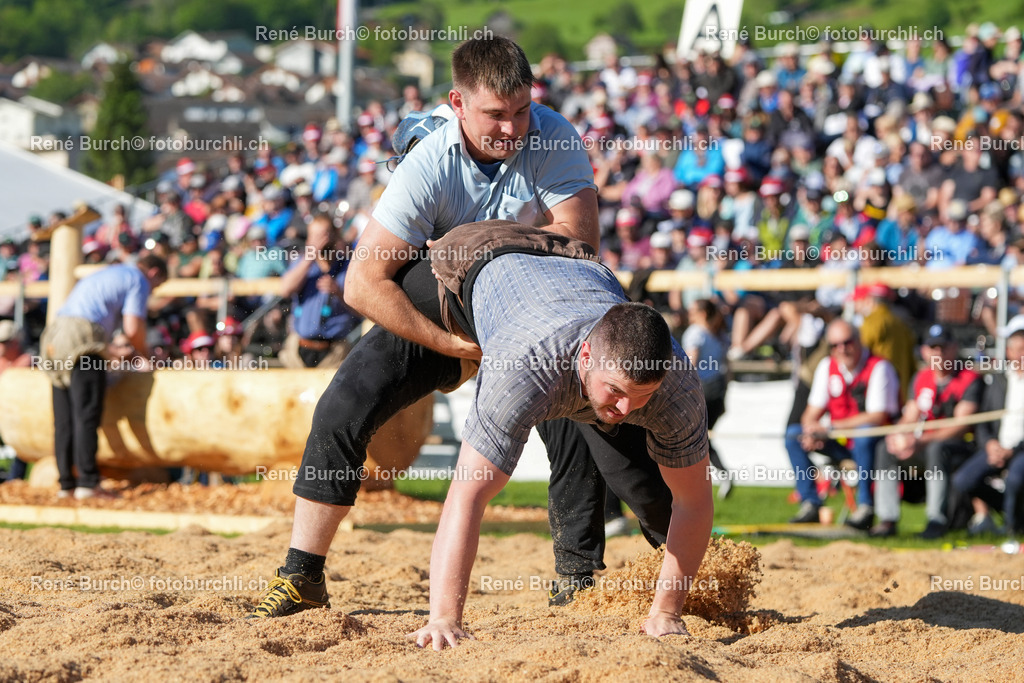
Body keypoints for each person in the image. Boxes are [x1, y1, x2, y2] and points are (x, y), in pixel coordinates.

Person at [247, 37, 606, 620]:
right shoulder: (430, 159)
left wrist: (485, 243)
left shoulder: (553, 132)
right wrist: (452, 345)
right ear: (457, 103)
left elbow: (582, 245)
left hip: (529, 308)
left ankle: (579, 578)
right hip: (438, 309)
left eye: (521, 112)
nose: (513, 128)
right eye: (495, 115)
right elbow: (363, 284)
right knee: (342, 406)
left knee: (571, 419)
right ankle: (301, 574)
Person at [39, 255, 167, 499]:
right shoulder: (137, 279)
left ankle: (66, 484)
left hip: (55, 335)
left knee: (64, 417)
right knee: (87, 413)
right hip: (83, 338)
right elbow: (133, 329)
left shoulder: (110, 272)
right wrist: (146, 356)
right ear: (153, 273)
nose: (153, 291)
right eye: (157, 285)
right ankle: (88, 483)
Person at [784, 319, 900, 529]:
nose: (842, 349)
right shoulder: (827, 366)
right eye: (835, 345)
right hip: (840, 442)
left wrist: (828, 429)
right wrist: (812, 431)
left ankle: (865, 507)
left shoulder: (879, 367)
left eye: (847, 342)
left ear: (858, 341)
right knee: (794, 435)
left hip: (875, 446)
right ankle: (810, 502)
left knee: (864, 434)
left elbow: (877, 417)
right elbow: (810, 413)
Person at [870, 324, 982, 539]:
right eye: (933, 348)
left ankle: (936, 520)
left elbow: (962, 425)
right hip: (924, 445)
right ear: (924, 351)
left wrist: (921, 441)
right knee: (886, 448)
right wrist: (899, 436)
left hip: (960, 448)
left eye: (943, 347)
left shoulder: (968, 378)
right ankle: (887, 519)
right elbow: (910, 416)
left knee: (936, 449)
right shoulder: (922, 378)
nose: (938, 354)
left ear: (954, 348)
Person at [951, 329, 1024, 536]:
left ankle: (1012, 529)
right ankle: (1011, 512)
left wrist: (1013, 450)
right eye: (1017, 350)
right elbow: (982, 420)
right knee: (963, 480)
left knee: (1016, 479)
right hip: (996, 446)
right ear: (1008, 352)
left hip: (1020, 449)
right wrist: (990, 444)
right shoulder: (999, 381)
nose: (1021, 356)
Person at [277, 214, 362, 369]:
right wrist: (310, 257)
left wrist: (338, 292)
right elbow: (285, 290)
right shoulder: (301, 263)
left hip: (335, 352)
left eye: (323, 235)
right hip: (298, 349)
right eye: (314, 236)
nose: (319, 242)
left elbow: (361, 311)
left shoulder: (349, 266)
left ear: (335, 235)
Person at [682, 298, 732, 498]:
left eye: (692, 310)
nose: (689, 313)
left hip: (701, 391)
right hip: (717, 391)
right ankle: (719, 474)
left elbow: (690, 365)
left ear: (702, 313)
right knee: (700, 437)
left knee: (695, 438)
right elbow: (727, 370)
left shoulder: (695, 333)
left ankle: (706, 479)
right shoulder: (718, 335)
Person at [0, 320, 32, 482]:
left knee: (23, 442)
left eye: (4, 342)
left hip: (21, 417)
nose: (1, 346)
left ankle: (14, 479)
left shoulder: (28, 362)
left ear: (15, 342)